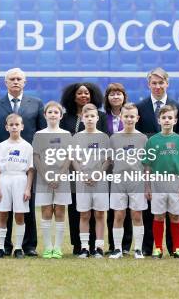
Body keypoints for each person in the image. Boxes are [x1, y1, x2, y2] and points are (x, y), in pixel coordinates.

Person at [0, 68, 45, 256]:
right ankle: (5, 246)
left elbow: (42, 136)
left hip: (27, 167)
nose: (16, 81)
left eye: (19, 79)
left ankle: (28, 246)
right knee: (5, 207)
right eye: (12, 79)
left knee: (26, 205)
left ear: (25, 82)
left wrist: (41, 165)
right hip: (4, 168)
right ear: (6, 82)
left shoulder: (36, 104)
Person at [136, 67, 179, 256]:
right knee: (153, 213)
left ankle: (176, 247)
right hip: (154, 170)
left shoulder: (178, 107)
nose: (157, 86)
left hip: (173, 169)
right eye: (154, 83)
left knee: (174, 213)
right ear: (148, 84)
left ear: (167, 83)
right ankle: (151, 247)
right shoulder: (140, 107)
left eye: (161, 83)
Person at [60, 82, 106, 255]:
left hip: (96, 170)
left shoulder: (100, 116)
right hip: (74, 169)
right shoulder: (66, 118)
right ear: (73, 96)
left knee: (97, 209)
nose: (83, 95)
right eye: (79, 93)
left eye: (86, 93)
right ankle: (79, 244)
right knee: (77, 208)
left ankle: (96, 244)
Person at [143, 105, 179, 259]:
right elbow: (147, 165)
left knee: (175, 216)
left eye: (170, 118)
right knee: (158, 216)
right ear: (159, 120)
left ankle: (177, 248)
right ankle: (158, 248)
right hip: (157, 182)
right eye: (164, 118)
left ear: (175, 120)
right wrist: (147, 186)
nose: (167, 120)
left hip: (175, 182)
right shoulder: (152, 141)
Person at [108, 103, 148, 259]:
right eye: (126, 116)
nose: (129, 119)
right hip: (119, 181)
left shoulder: (143, 138)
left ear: (137, 118)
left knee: (137, 215)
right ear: (121, 117)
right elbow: (110, 160)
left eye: (132, 116)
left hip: (137, 181)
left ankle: (138, 249)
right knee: (119, 215)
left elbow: (146, 164)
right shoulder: (114, 138)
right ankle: (117, 249)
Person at [32, 101, 72, 259]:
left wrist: (60, 175)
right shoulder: (39, 135)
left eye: (56, 112)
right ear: (45, 115)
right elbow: (36, 157)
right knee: (46, 211)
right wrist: (46, 176)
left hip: (62, 178)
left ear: (61, 116)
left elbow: (70, 157)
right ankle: (48, 247)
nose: (53, 115)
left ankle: (58, 247)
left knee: (61, 211)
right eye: (50, 112)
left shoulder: (66, 135)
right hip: (44, 178)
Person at [0, 114, 34, 259]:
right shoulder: (2, 145)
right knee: (3, 214)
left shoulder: (27, 146)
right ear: (6, 127)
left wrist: (28, 188)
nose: (14, 127)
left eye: (17, 124)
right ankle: (0, 248)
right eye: (11, 125)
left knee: (19, 215)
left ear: (22, 126)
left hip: (20, 180)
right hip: (5, 179)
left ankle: (18, 248)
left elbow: (30, 170)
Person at [72, 104, 110, 259]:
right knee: (84, 215)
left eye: (92, 116)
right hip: (83, 181)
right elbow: (73, 159)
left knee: (100, 214)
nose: (89, 119)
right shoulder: (77, 137)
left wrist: (97, 174)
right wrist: (81, 174)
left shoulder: (103, 137)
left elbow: (107, 160)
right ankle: (84, 247)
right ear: (82, 119)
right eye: (86, 116)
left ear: (97, 118)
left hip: (99, 181)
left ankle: (99, 247)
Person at [103, 82, 133, 254]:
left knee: (127, 208)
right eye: (112, 94)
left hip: (128, 168)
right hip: (108, 168)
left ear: (124, 96)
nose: (115, 96)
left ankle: (126, 246)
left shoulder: (131, 114)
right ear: (107, 98)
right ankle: (114, 245)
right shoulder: (101, 117)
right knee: (111, 206)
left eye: (119, 93)